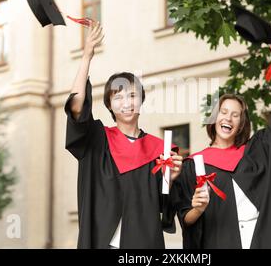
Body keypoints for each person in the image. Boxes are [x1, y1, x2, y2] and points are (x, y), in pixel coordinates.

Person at [173, 33, 271, 249]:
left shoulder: (256, 152)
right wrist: (198, 208)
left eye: (235, 115)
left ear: (241, 123)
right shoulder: (193, 165)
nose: (228, 118)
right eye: (223, 112)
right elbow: (186, 219)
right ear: (214, 119)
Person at [64, 21, 183, 248]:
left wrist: (172, 179)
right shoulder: (97, 141)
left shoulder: (160, 149)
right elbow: (77, 107)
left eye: (132, 95)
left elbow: (165, 209)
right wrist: (86, 56)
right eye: (118, 97)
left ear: (141, 100)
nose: (126, 103)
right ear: (109, 105)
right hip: (101, 241)